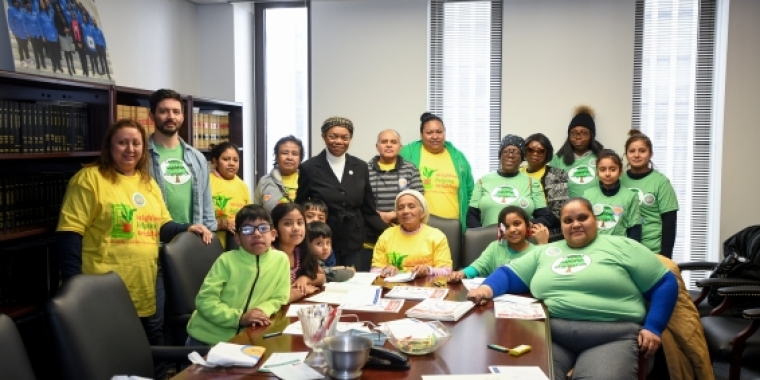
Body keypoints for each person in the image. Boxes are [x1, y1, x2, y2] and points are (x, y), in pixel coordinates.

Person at [467, 198, 678, 379]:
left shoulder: (622, 246)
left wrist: (654, 327)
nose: (575, 224)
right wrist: (485, 289)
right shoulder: (546, 251)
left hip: (612, 336)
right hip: (551, 335)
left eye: (582, 218)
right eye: (568, 221)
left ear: (595, 220)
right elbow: (508, 274)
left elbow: (664, 282)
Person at [56, 119, 213, 348]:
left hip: (144, 283)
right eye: (122, 143)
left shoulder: (147, 182)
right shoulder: (89, 179)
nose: (130, 149)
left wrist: (187, 227)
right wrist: (75, 286)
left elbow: (163, 226)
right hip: (101, 286)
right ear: (109, 146)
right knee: (110, 348)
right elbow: (69, 234)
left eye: (136, 143)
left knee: (151, 343)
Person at [185, 205, 290, 346]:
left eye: (263, 228)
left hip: (247, 337)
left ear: (273, 235)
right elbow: (205, 301)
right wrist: (239, 318)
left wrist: (261, 311)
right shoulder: (226, 261)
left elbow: (280, 297)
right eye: (247, 230)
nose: (257, 234)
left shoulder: (281, 260)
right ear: (237, 238)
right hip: (207, 339)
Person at [296, 116, 387, 270]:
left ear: (350, 138)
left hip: (354, 239)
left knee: (352, 282)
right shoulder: (309, 168)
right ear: (323, 136)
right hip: (322, 240)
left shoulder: (360, 167)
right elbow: (300, 206)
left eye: (345, 137)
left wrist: (391, 232)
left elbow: (368, 209)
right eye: (333, 136)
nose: (339, 141)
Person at [147, 88, 216, 231]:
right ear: (152, 116)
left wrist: (209, 235)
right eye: (164, 111)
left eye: (176, 112)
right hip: (153, 239)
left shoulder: (197, 158)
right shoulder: (141, 157)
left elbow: (207, 209)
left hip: (191, 241)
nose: (170, 116)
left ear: (183, 117)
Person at [399, 112, 474, 230]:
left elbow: (470, 190)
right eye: (429, 132)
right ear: (421, 134)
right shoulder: (408, 153)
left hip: (453, 227)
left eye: (439, 132)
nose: (435, 136)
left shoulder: (458, 157)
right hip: (419, 227)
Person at [364, 129, 424, 268]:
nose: (389, 145)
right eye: (384, 142)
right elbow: (359, 200)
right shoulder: (364, 169)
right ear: (377, 146)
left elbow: (419, 198)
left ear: (400, 147)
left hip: (404, 233)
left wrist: (393, 214)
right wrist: (377, 216)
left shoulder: (410, 169)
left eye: (393, 142)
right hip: (371, 235)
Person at [467, 134, 554, 229]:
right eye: (506, 151)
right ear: (499, 155)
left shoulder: (532, 183)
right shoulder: (483, 181)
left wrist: (524, 226)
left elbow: (545, 217)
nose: (510, 155)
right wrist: (482, 234)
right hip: (489, 239)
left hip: (521, 240)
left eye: (516, 152)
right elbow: (471, 215)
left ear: (522, 158)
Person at [449, 206, 549, 281]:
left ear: (528, 225)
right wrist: (461, 273)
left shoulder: (537, 250)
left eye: (517, 224)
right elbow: (478, 266)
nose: (512, 230)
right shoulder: (495, 247)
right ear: (501, 230)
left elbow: (544, 278)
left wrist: (543, 245)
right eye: (506, 226)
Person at [621, 130, 679, 258]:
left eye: (642, 151)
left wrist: (666, 256)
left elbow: (669, 222)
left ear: (650, 154)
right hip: (625, 251)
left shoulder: (661, 183)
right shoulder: (619, 181)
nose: (637, 155)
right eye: (632, 151)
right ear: (626, 154)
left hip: (654, 251)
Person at [370, 190, 453, 278]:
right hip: (394, 287)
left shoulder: (437, 236)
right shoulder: (386, 236)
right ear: (397, 214)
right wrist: (385, 270)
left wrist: (428, 270)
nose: (405, 211)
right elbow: (374, 271)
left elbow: (447, 271)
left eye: (411, 206)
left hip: (427, 287)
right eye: (401, 208)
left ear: (422, 213)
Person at [270, 203, 325, 302]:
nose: (296, 228)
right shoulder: (271, 255)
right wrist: (301, 291)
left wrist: (306, 279)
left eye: (300, 223)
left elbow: (322, 276)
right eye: (287, 223)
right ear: (275, 231)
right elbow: (276, 297)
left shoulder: (300, 250)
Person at [582, 150, 641, 241]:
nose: (607, 174)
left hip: (620, 249)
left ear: (620, 172)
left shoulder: (630, 196)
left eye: (613, 169)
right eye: (602, 169)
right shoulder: (587, 195)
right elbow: (583, 227)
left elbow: (634, 229)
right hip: (594, 248)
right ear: (597, 172)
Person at [521, 133, 569, 240]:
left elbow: (559, 213)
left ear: (547, 154)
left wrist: (529, 223)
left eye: (541, 151)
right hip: (516, 231)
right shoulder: (517, 172)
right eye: (530, 150)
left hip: (546, 232)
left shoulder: (557, 175)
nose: (535, 153)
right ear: (524, 151)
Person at [550, 105, 605, 198]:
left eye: (584, 133)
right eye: (573, 133)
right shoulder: (558, 159)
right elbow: (552, 189)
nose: (578, 137)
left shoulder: (602, 157)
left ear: (591, 136)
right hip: (568, 210)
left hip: (596, 209)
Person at [209, 142, 250, 249]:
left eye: (235, 160)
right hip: (211, 243)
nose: (231, 163)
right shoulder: (207, 182)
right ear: (215, 161)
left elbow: (249, 216)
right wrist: (223, 224)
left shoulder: (243, 186)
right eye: (226, 159)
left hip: (239, 245)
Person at [254, 135, 303, 212]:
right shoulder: (264, 181)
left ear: (300, 159)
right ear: (276, 157)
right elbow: (256, 211)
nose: (289, 157)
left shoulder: (307, 180)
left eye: (294, 154)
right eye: (285, 153)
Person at [302, 198, 336, 266]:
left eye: (321, 218)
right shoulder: (296, 242)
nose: (315, 220)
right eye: (310, 216)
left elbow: (330, 267)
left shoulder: (326, 242)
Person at [39, 0, 63, 74]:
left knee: (57, 51)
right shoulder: (40, 15)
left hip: (54, 34)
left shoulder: (51, 11)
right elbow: (40, 27)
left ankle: (59, 65)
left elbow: (55, 21)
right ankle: (54, 66)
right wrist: (43, 36)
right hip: (47, 36)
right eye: (41, 4)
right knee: (52, 52)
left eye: (44, 3)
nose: (43, 4)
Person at [7, 0, 31, 68]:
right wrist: (14, 32)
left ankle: (28, 58)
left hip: (24, 32)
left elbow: (24, 21)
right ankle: (22, 60)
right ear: (13, 2)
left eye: (18, 2)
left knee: (25, 45)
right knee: (21, 47)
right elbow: (10, 22)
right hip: (18, 32)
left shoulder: (21, 9)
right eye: (15, 2)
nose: (17, 3)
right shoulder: (11, 10)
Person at [23, 0, 45, 70]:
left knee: (41, 50)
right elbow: (25, 25)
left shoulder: (36, 13)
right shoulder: (25, 14)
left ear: (32, 5)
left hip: (38, 34)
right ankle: (38, 64)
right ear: (26, 6)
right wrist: (27, 33)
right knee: (35, 50)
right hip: (32, 35)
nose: (29, 5)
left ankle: (43, 63)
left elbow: (39, 25)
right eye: (28, 4)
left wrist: (42, 35)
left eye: (30, 4)